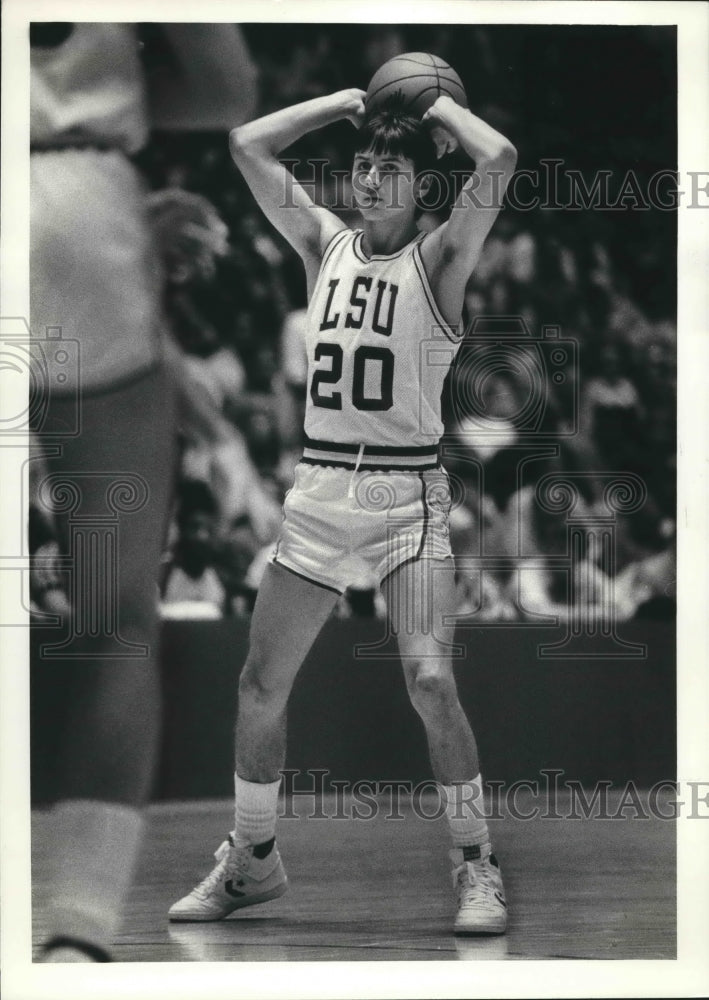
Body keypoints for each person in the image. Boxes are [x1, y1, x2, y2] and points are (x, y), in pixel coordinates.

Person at [169, 84, 517, 935]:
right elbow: (248, 143)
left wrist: (432, 105)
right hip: (319, 491)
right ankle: (251, 860)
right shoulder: (321, 243)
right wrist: (344, 102)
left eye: (388, 169)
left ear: (419, 184)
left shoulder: (439, 259)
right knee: (260, 684)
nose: (367, 180)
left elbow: (499, 159)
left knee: (431, 682)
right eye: (361, 166)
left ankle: (476, 866)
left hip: (407, 495)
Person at [30, 23, 256, 961]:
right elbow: (223, 86)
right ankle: (77, 938)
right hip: (84, 204)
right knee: (116, 614)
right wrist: (107, 98)